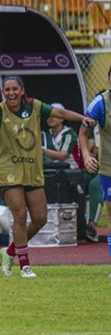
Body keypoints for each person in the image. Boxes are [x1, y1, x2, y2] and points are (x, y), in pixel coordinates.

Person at [0, 75, 95, 278]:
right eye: (7, 90)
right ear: (3, 93)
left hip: (31, 170)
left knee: (40, 218)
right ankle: (24, 264)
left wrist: (81, 117)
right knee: (19, 215)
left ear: (22, 90)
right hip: (8, 171)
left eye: (14, 89)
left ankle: (9, 251)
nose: (11, 93)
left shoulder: (35, 106)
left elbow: (60, 112)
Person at [80, 66, 111, 266]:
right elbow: (83, 132)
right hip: (109, 168)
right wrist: (85, 154)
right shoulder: (100, 104)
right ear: (109, 80)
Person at [41, 103, 79, 168]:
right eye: (48, 115)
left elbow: (63, 155)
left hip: (70, 170)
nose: (51, 118)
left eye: (54, 115)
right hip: (49, 169)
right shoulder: (43, 135)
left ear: (62, 118)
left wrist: (43, 151)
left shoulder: (69, 133)